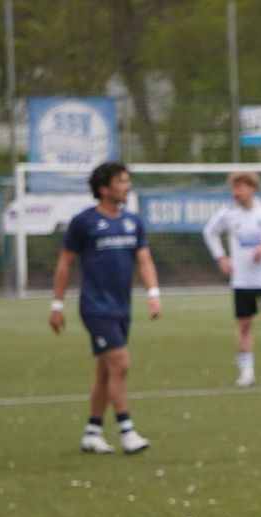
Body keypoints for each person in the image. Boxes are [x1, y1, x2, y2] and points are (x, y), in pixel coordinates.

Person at [49, 161, 160, 454]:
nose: (127, 186)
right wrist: (57, 305)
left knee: (105, 371)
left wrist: (153, 292)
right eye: (121, 181)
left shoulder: (133, 222)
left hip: (122, 307)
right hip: (95, 307)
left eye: (127, 180)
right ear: (104, 188)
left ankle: (92, 433)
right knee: (120, 364)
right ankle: (127, 431)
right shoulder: (83, 222)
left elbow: (144, 259)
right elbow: (65, 263)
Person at [202, 171, 261, 388]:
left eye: (241, 187)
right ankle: (246, 374)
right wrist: (221, 257)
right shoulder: (228, 214)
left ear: (252, 188)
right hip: (242, 280)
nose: (236, 192)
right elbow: (209, 232)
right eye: (234, 188)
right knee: (244, 324)